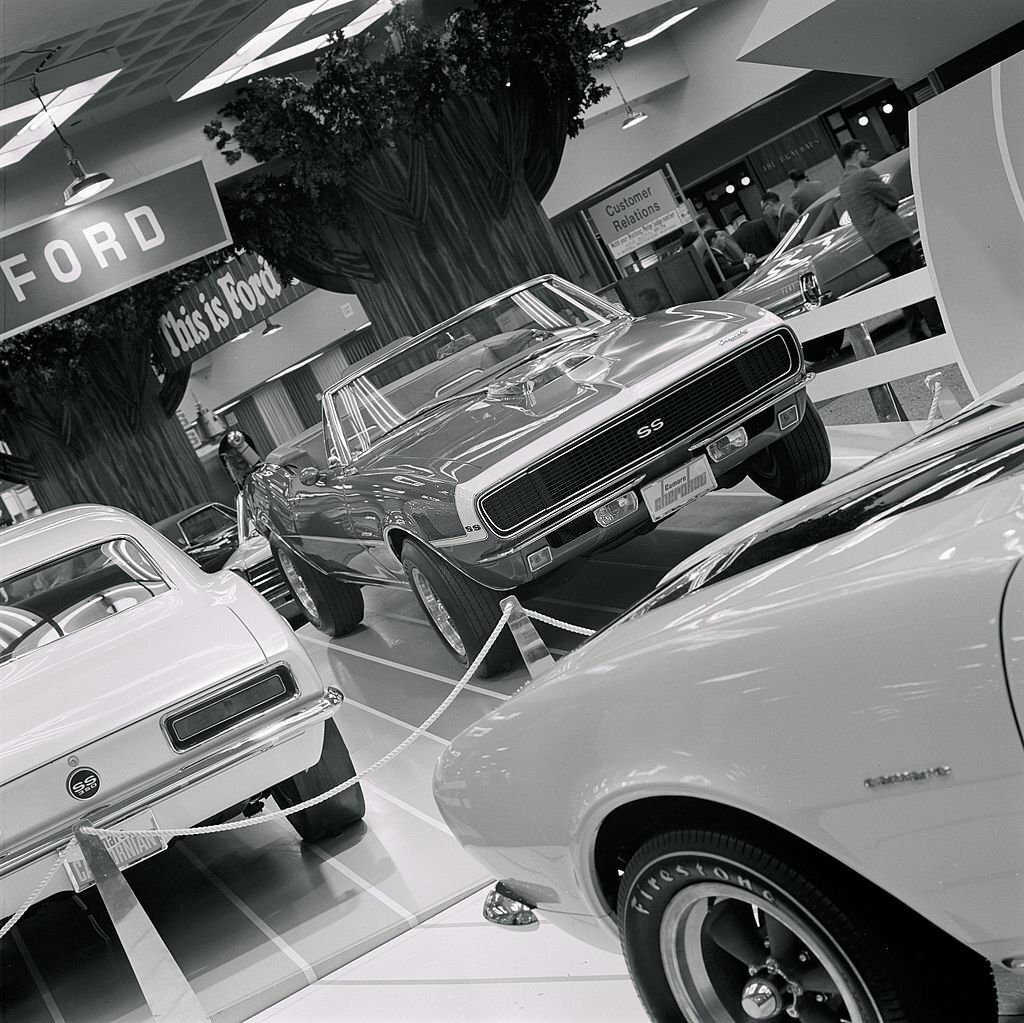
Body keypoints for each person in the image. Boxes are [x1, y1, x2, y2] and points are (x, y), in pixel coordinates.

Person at [837, 138, 942, 341]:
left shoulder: (844, 185)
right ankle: (938, 327)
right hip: (893, 235)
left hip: (877, 245)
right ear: (856, 153)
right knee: (918, 283)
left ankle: (915, 332)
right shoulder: (864, 175)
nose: (868, 155)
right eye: (865, 151)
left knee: (904, 288)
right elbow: (892, 197)